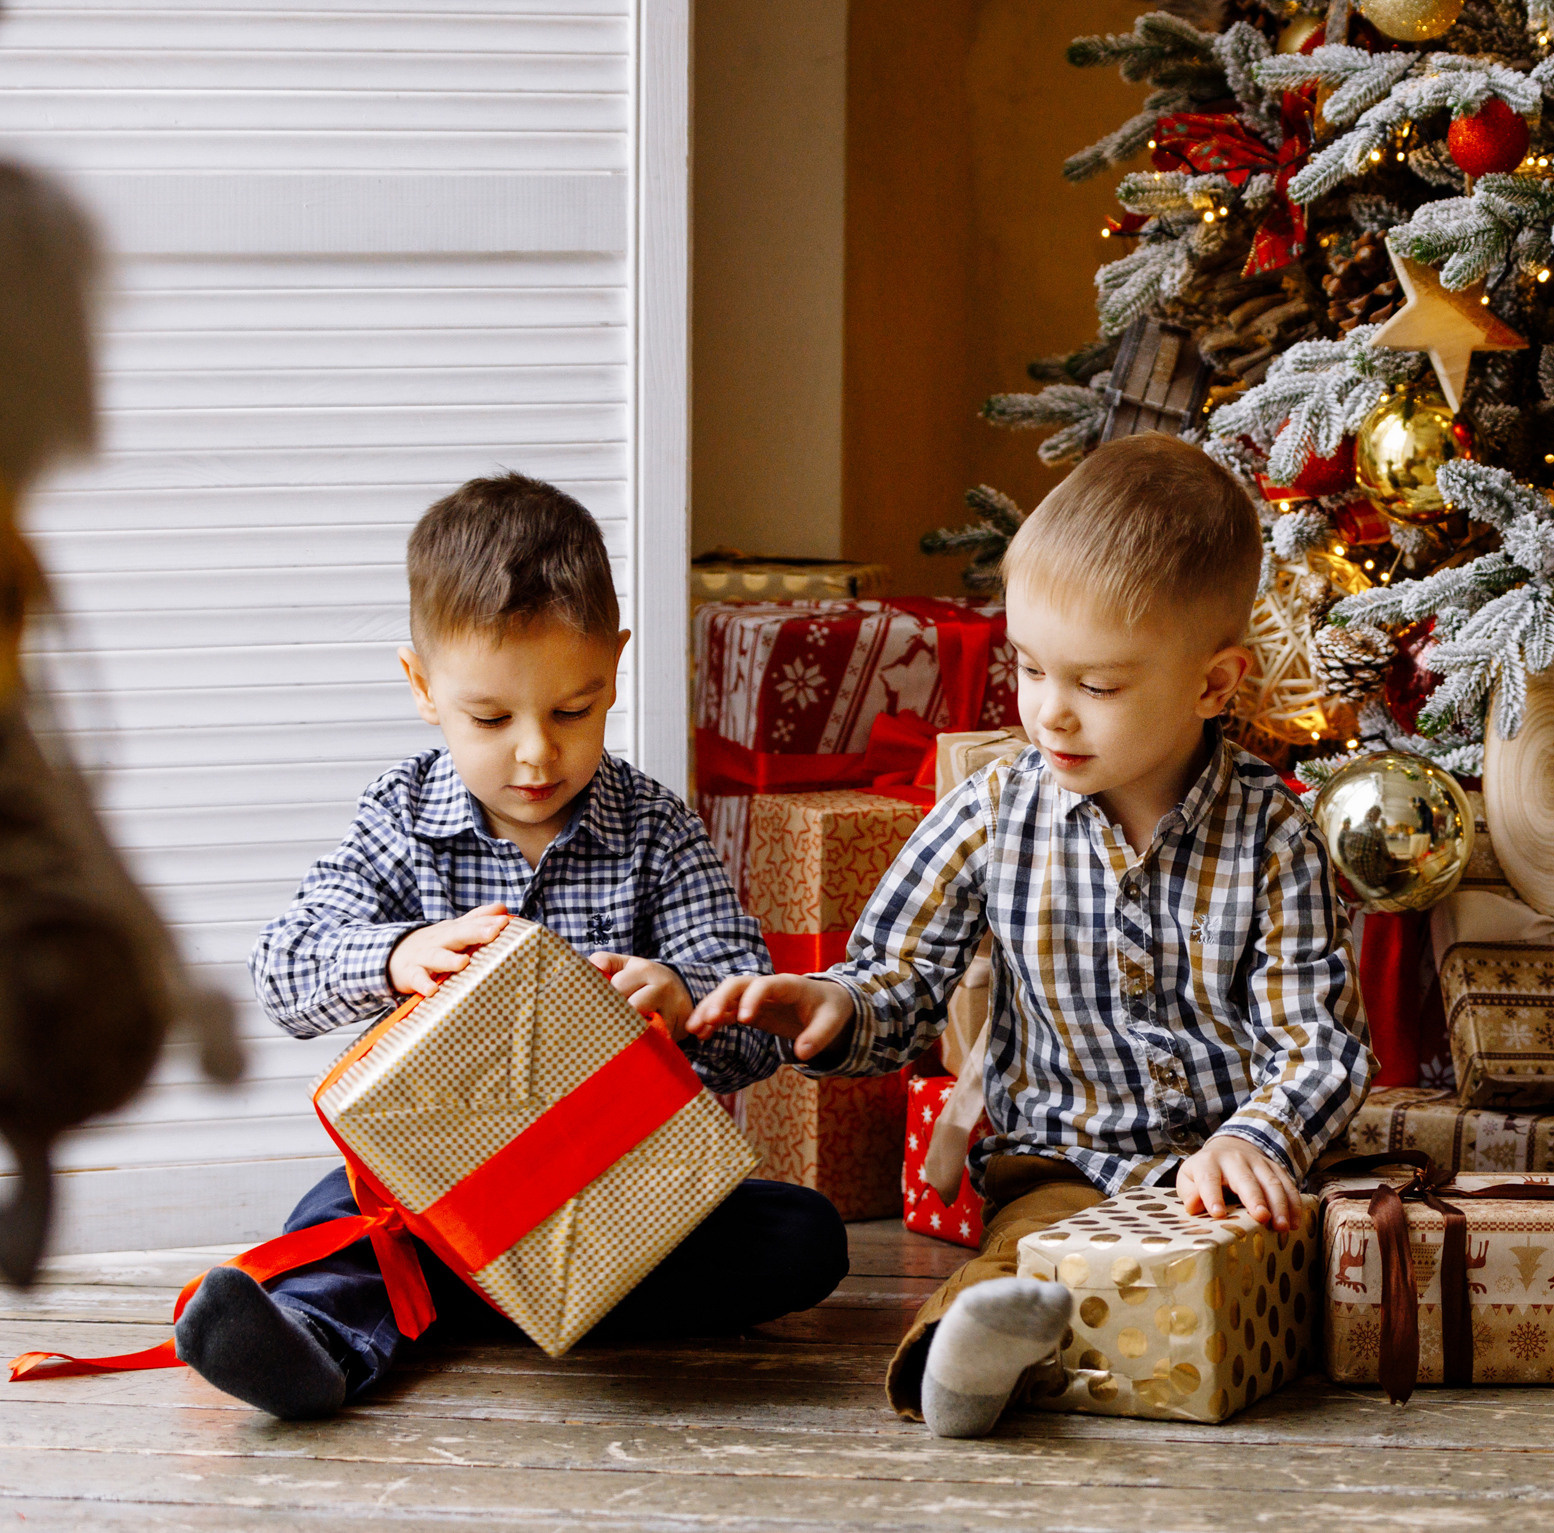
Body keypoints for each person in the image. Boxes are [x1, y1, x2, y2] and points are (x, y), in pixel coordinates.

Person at [687, 432, 1369, 1438]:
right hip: (1061, 1165)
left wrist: (1252, 1139)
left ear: (1213, 686)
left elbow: (1316, 1041)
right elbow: (902, 974)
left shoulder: (1272, 835)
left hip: (1218, 1183)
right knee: (1034, 1254)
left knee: (1261, 1273)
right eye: (1030, 668)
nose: (1048, 712)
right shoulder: (993, 812)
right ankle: (959, 1357)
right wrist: (830, 1003)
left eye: (1095, 685)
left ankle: (1112, 1338)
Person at [181, 473, 846, 1420]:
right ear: (422, 687)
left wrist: (682, 998)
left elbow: (756, 1020)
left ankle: (484, 1300)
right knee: (339, 1216)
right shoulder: (401, 816)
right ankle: (321, 1344)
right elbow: (284, 967)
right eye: (491, 718)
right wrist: (398, 954)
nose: (536, 754)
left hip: (621, 1188)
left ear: (615, 669)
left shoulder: (653, 828)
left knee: (804, 1235)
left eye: (572, 711)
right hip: (436, 1185)